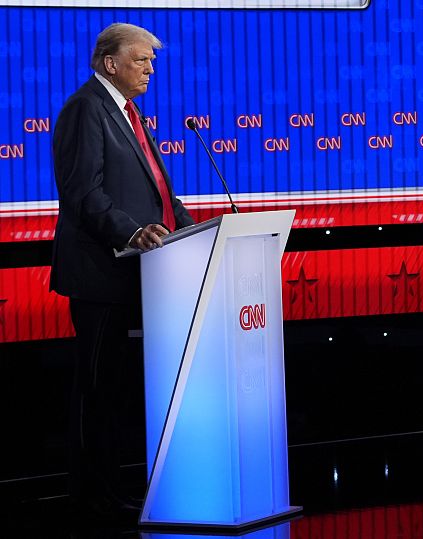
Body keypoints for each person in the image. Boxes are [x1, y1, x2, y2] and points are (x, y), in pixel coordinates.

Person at [50, 22, 194, 521]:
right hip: (100, 275)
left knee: (118, 390)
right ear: (111, 63)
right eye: (141, 60)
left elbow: (158, 188)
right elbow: (83, 193)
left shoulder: (130, 113)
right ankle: (92, 499)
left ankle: (113, 491)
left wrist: (196, 228)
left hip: (137, 275)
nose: (151, 69)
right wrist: (131, 233)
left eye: (151, 61)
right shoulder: (85, 108)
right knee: (97, 391)